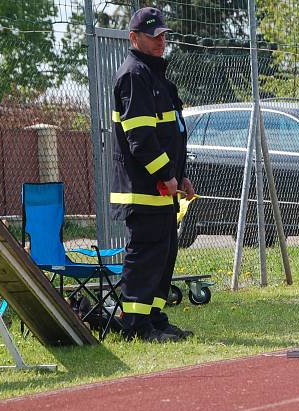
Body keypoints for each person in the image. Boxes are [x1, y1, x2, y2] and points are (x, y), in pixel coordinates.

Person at [110, 7, 195, 342]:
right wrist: (165, 174)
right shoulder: (134, 75)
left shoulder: (155, 75)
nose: (160, 41)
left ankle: (154, 318)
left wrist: (180, 175)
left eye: (163, 35)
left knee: (164, 254)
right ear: (134, 38)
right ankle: (135, 325)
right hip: (143, 189)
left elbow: (170, 133)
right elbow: (140, 138)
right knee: (146, 255)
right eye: (153, 36)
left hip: (164, 188)